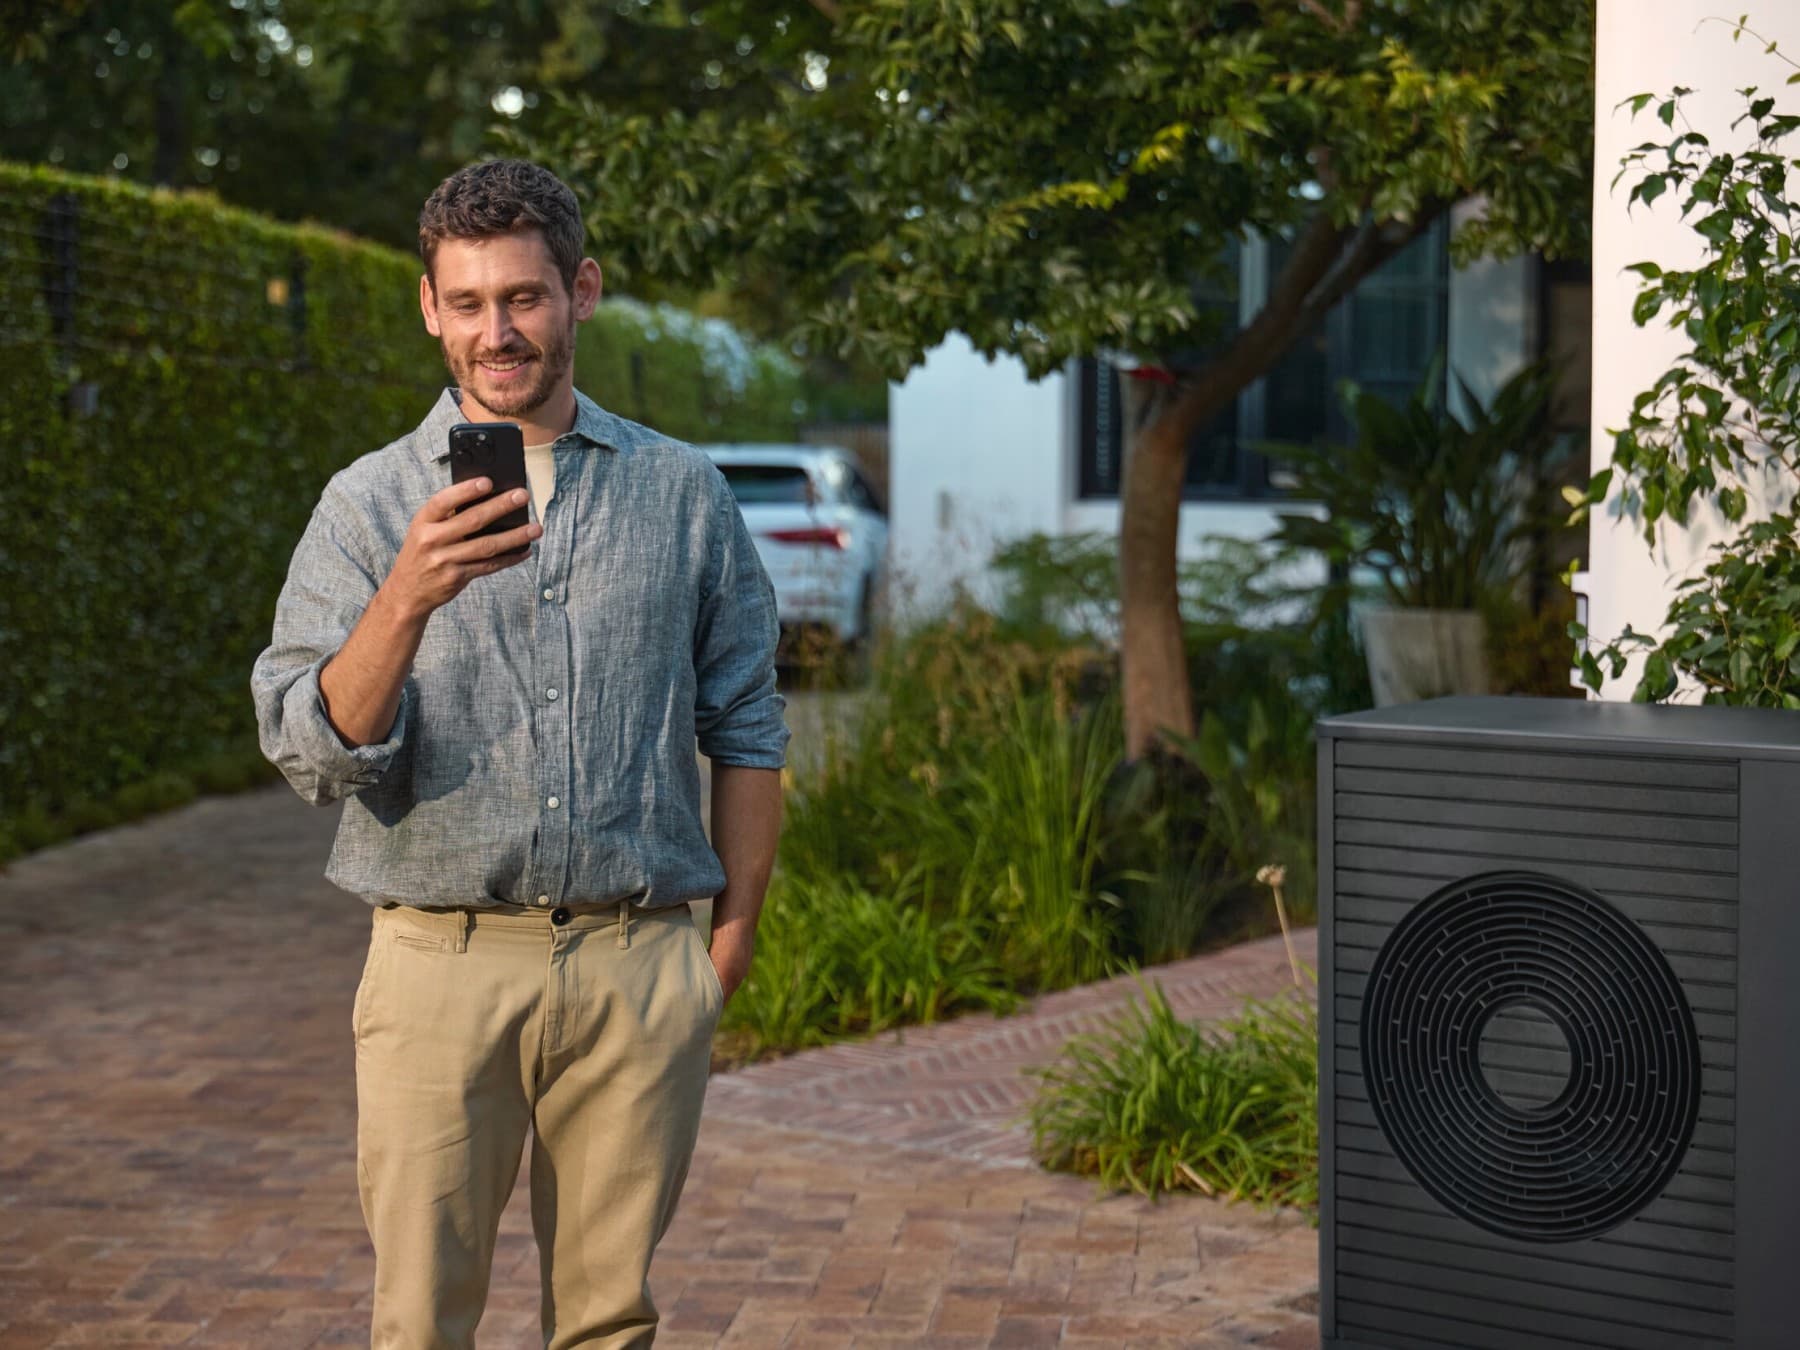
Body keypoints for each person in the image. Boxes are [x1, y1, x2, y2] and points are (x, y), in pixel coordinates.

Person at [250, 158, 788, 1349]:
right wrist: (405, 597)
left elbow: (747, 727)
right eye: (472, 302)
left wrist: (729, 944)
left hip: (637, 965)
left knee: (609, 1322)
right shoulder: (366, 506)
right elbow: (305, 749)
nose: (501, 331)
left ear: (580, 290)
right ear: (430, 307)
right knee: (421, 1322)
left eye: (526, 298)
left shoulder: (684, 493)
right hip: (438, 967)